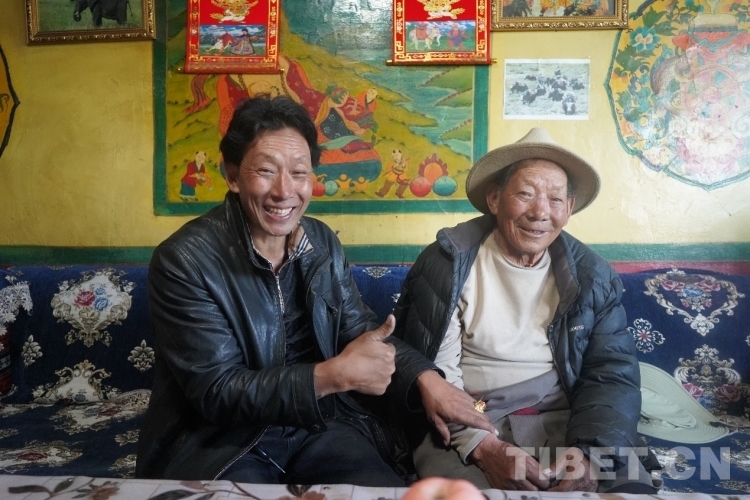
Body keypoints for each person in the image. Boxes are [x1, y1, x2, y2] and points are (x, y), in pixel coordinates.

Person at [136, 95, 484, 485]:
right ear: (232, 176)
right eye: (266, 171)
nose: (284, 191)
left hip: (317, 424)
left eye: (299, 173)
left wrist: (427, 379)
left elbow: (358, 329)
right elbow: (217, 391)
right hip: (221, 441)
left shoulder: (319, 241)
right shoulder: (184, 259)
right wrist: (332, 376)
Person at [393, 127, 660, 493]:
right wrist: (482, 447)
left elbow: (611, 373)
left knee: (628, 490)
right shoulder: (448, 263)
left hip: (568, 418)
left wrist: (591, 454)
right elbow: (437, 377)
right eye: (525, 194)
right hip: (472, 418)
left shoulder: (592, 276)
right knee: (466, 495)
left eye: (555, 199)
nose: (540, 212)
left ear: (568, 209)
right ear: (494, 199)